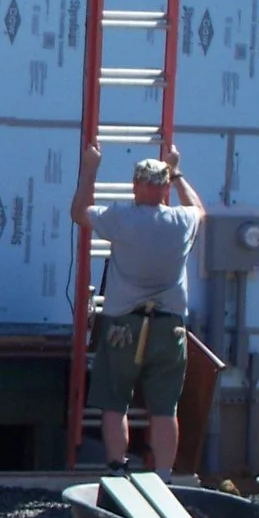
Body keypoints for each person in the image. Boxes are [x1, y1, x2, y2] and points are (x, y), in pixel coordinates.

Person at [69, 140, 204, 476]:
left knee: (115, 402)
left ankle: (117, 469)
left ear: (137, 185)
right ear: (164, 188)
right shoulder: (181, 221)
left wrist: (89, 170)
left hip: (122, 327)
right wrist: (178, 172)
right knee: (164, 408)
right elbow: (200, 209)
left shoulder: (121, 218)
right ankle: (164, 478)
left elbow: (78, 213)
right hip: (169, 327)